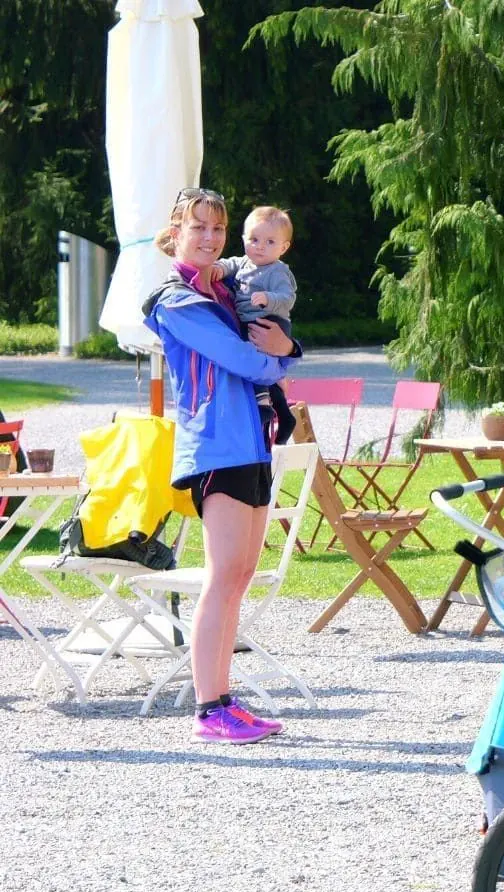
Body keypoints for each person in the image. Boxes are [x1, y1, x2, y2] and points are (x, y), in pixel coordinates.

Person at [141, 187, 302, 744]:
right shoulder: (176, 299)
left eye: (217, 228)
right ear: (176, 233)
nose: (210, 237)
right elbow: (241, 359)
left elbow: (269, 343)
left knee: (239, 576)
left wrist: (284, 347)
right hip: (216, 446)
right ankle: (209, 710)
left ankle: (225, 700)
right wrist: (284, 357)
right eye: (198, 227)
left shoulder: (229, 288)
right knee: (222, 575)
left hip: (252, 444)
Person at [211, 205, 299, 444]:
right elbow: (229, 263)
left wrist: (268, 298)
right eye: (254, 239)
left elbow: (288, 298)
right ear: (243, 239)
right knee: (255, 362)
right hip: (251, 321)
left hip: (271, 321)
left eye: (270, 242)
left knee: (252, 359)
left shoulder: (277, 271)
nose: (260, 246)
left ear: (284, 247)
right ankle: (282, 412)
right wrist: (218, 268)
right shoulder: (244, 263)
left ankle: (262, 405)